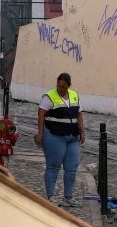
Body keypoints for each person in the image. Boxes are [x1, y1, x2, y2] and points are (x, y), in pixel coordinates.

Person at [37, 72, 85, 205]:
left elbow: (79, 115)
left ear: (69, 85)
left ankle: (68, 197)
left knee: (72, 167)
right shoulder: (49, 97)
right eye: (58, 86)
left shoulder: (75, 95)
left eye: (63, 87)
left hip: (72, 137)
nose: (60, 89)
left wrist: (82, 131)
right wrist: (40, 133)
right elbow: (41, 114)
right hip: (54, 136)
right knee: (53, 166)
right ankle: (51, 197)